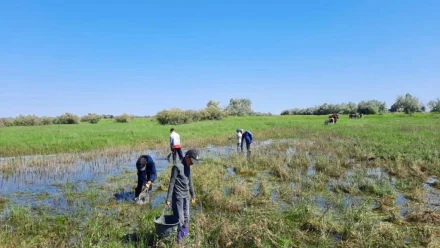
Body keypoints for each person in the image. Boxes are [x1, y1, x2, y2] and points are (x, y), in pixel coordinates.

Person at [166, 149, 200, 243]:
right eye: (192, 161)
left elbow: (190, 181)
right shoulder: (177, 167)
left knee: (187, 217)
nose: (192, 163)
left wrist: (193, 194)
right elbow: (172, 182)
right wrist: (168, 198)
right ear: (187, 157)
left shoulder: (189, 166)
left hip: (186, 196)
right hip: (178, 197)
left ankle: (184, 236)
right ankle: (178, 241)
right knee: (180, 219)